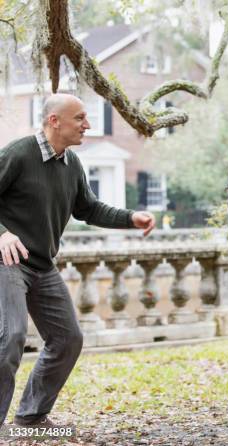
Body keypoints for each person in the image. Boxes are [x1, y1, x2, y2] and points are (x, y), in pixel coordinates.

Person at [0, 93, 155, 426]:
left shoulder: (71, 164)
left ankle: (31, 417)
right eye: (81, 118)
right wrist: (2, 233)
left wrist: (131, 218)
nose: (88, 124)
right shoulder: (18, 154)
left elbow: (89, 208)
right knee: (10, 336)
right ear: (54, 121)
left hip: (42, 264)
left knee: (68, 339)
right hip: (7, 261)